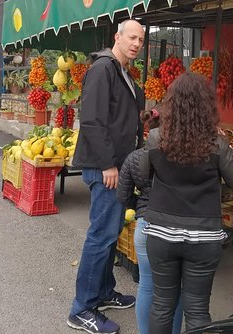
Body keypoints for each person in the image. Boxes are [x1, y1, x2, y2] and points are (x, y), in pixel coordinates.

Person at [141, 72, 233, 334]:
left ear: (171, 104)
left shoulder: (155, 139)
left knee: (162, 304)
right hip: (204, 236)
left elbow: (143, 176)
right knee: (198, 309)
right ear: (206, 106)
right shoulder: (217, 145)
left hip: (161, 234)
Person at [67, 19, 146, 334]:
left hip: (118, 165)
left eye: (141, 39)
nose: (136, 43)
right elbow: (92, 120)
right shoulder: (103, 69)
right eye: (132, 37)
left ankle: (103, 292)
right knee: (100, 237)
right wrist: (108, 165)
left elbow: (119, 116)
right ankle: (82, 309)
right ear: (118, 36)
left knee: (110, 233)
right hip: (107, 168)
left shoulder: (121, 70)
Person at [117, 108, 184, 334]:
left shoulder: (134, 157)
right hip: (173, 229)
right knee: (176, 288)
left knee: (146, 285)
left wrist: (139, 207)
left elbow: (123, 196)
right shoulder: (178, 158)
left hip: (145, 226)